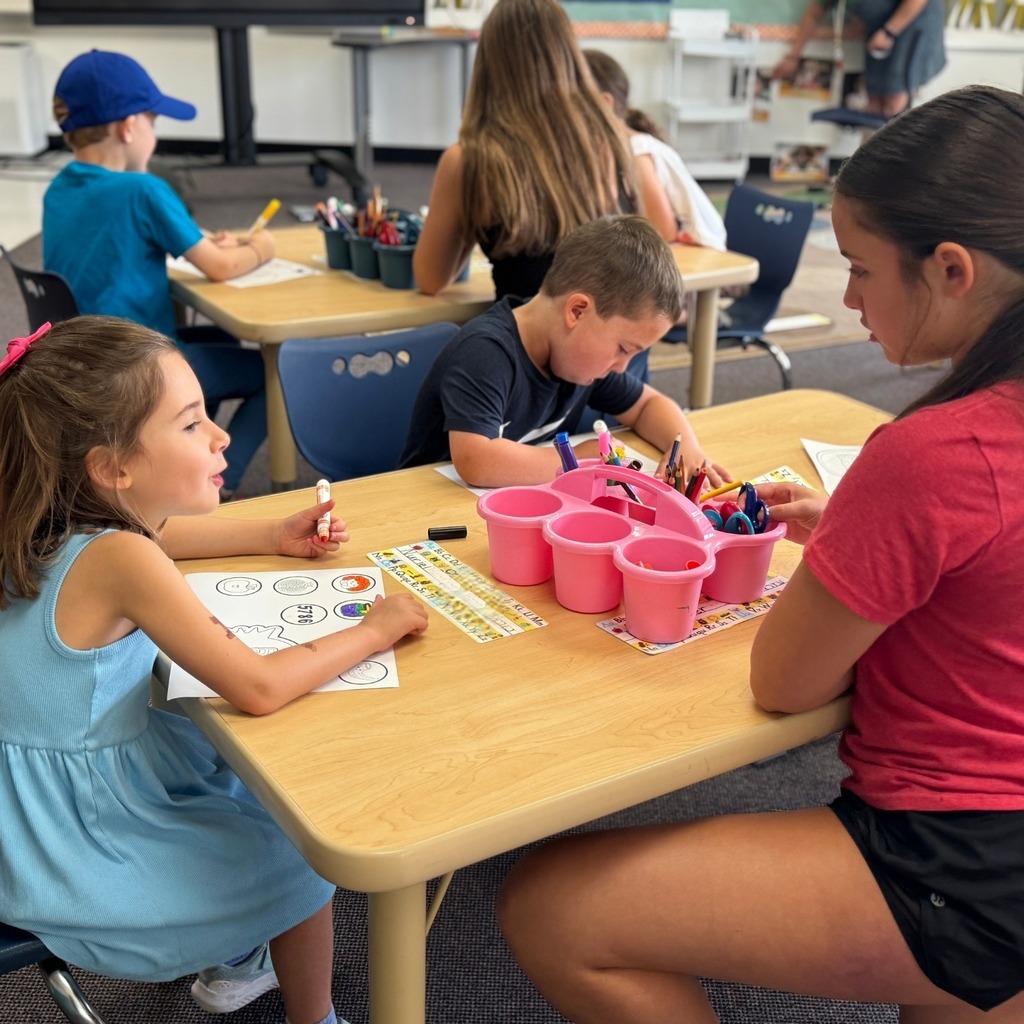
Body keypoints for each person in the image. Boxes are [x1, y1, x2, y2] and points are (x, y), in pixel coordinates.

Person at [497, 85, 1024, 1022]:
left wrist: (861, 544)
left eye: (859, 269)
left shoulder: (933, 455)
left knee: (550, 910)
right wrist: (864, 539)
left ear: (952, 270)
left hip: (962, 861)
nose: (850, 299)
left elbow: (784, 682)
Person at [0, 316, 428, 1022]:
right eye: (194, 424)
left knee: (223, 764)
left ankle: (235, 954)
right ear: (113, 468)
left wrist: (269, 533)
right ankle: (314, 1016)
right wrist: (373, 628)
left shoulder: (45, 510)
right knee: (301, 854)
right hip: (75, 848)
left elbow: (159, 528)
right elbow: (257, 687)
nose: (223, 438)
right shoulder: (121, 559)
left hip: (35, 801)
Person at [42, 49, 273, 499]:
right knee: (276, 372)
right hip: (139, 372)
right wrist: (262, 246)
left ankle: (180, 447)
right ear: (130, 127)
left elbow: (114, 234)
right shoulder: (143, 189)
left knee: (223, 342)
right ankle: (220, 483)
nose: (154, 134)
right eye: (152, 122)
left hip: (84, 367)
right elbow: (221, 266)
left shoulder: (59, 189)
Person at [399, 215, 724, 490]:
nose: (622, 367)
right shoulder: (487, 351)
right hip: (425, 511)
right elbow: (476, 460)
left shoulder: (579, 360)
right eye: (623, 349)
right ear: (578, 311)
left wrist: (685, 447)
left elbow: (648, 405)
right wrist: (576, 459)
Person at [411, 0, 636, 302]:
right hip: (619, 344)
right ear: (568, 53)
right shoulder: (608, 133)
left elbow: (430, 279)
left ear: (488, 63)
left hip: (533, 347)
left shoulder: (470, 161)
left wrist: (467, 218)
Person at [583, 49, 726, 251]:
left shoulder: (637, 154)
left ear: (605, 104)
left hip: (696, 259)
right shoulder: (620, 150)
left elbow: (662, 235)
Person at [772, 0, 946, 119]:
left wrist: (889, 31)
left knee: (893, 105)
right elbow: (813, 15)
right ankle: (867, 165)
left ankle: (890, 167)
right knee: (873, 106)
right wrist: (793, 57)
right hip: (878, 30)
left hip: (912, 24)